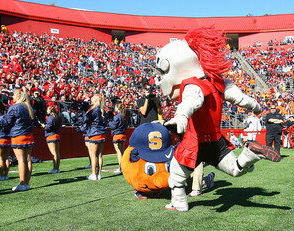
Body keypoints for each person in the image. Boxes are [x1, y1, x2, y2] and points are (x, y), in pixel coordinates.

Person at [154, 27, 281, 211]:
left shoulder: (192, 84)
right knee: (235, 169)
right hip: (215, 140)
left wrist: (181, 116)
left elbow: (192, 101)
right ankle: (250, 154)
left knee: (175, 175)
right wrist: (254, 105)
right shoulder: (219, 81)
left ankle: (179, 204)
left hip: (195, 142)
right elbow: (240, 98)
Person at [1, 87, 35, 191]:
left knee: (21, 160)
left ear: (19, 96)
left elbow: (7, 122)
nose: (12, 97)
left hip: (18, 135)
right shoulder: (30, 107)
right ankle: (27, 183)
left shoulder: (15, 107)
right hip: (29, 135)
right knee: (28, 159)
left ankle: (22, 183)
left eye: (14, 95)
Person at [83, 94, 107, 180]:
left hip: (94, 133)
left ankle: (93, 174)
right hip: (101, 133)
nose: (91, 100)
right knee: (100, 155)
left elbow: (85, 119)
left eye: (92, 99)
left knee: (93, 155)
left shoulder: (94, 110)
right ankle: (98, 174)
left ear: (96, 101)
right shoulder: (102, 110)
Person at [41, 106, 62, 173]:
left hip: (51, 136)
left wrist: (44, 126)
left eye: (47, 109)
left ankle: (55, 169)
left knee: (54, 153)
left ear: (50, 110)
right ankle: (57, 168)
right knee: (57, 153)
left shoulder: (51, 117)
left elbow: (48, 127)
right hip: (56, 135)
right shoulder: (57, 117)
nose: (47, 110)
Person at [108, 101, 128, 173]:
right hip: (123, 134)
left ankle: (121, 168)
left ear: (117, 108)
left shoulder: (117, 116)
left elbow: (113, 126)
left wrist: (109, 122)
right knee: (122, 152)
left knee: (119, 153)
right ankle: (123, 167)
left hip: (117, 134)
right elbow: (126, 125)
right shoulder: (124, 115)